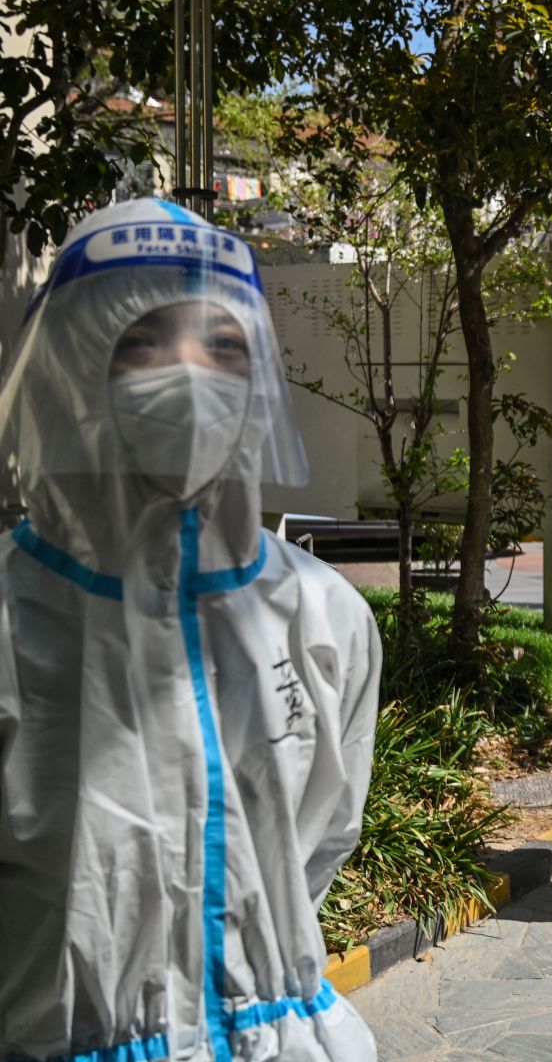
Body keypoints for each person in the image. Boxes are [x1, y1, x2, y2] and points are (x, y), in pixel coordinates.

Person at [0, 199, 381, 1061]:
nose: (190, 375)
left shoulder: (321, 618)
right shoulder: (11, 616)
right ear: (69, 365)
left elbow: (319, 842)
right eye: (143, 342)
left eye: (224, 346)